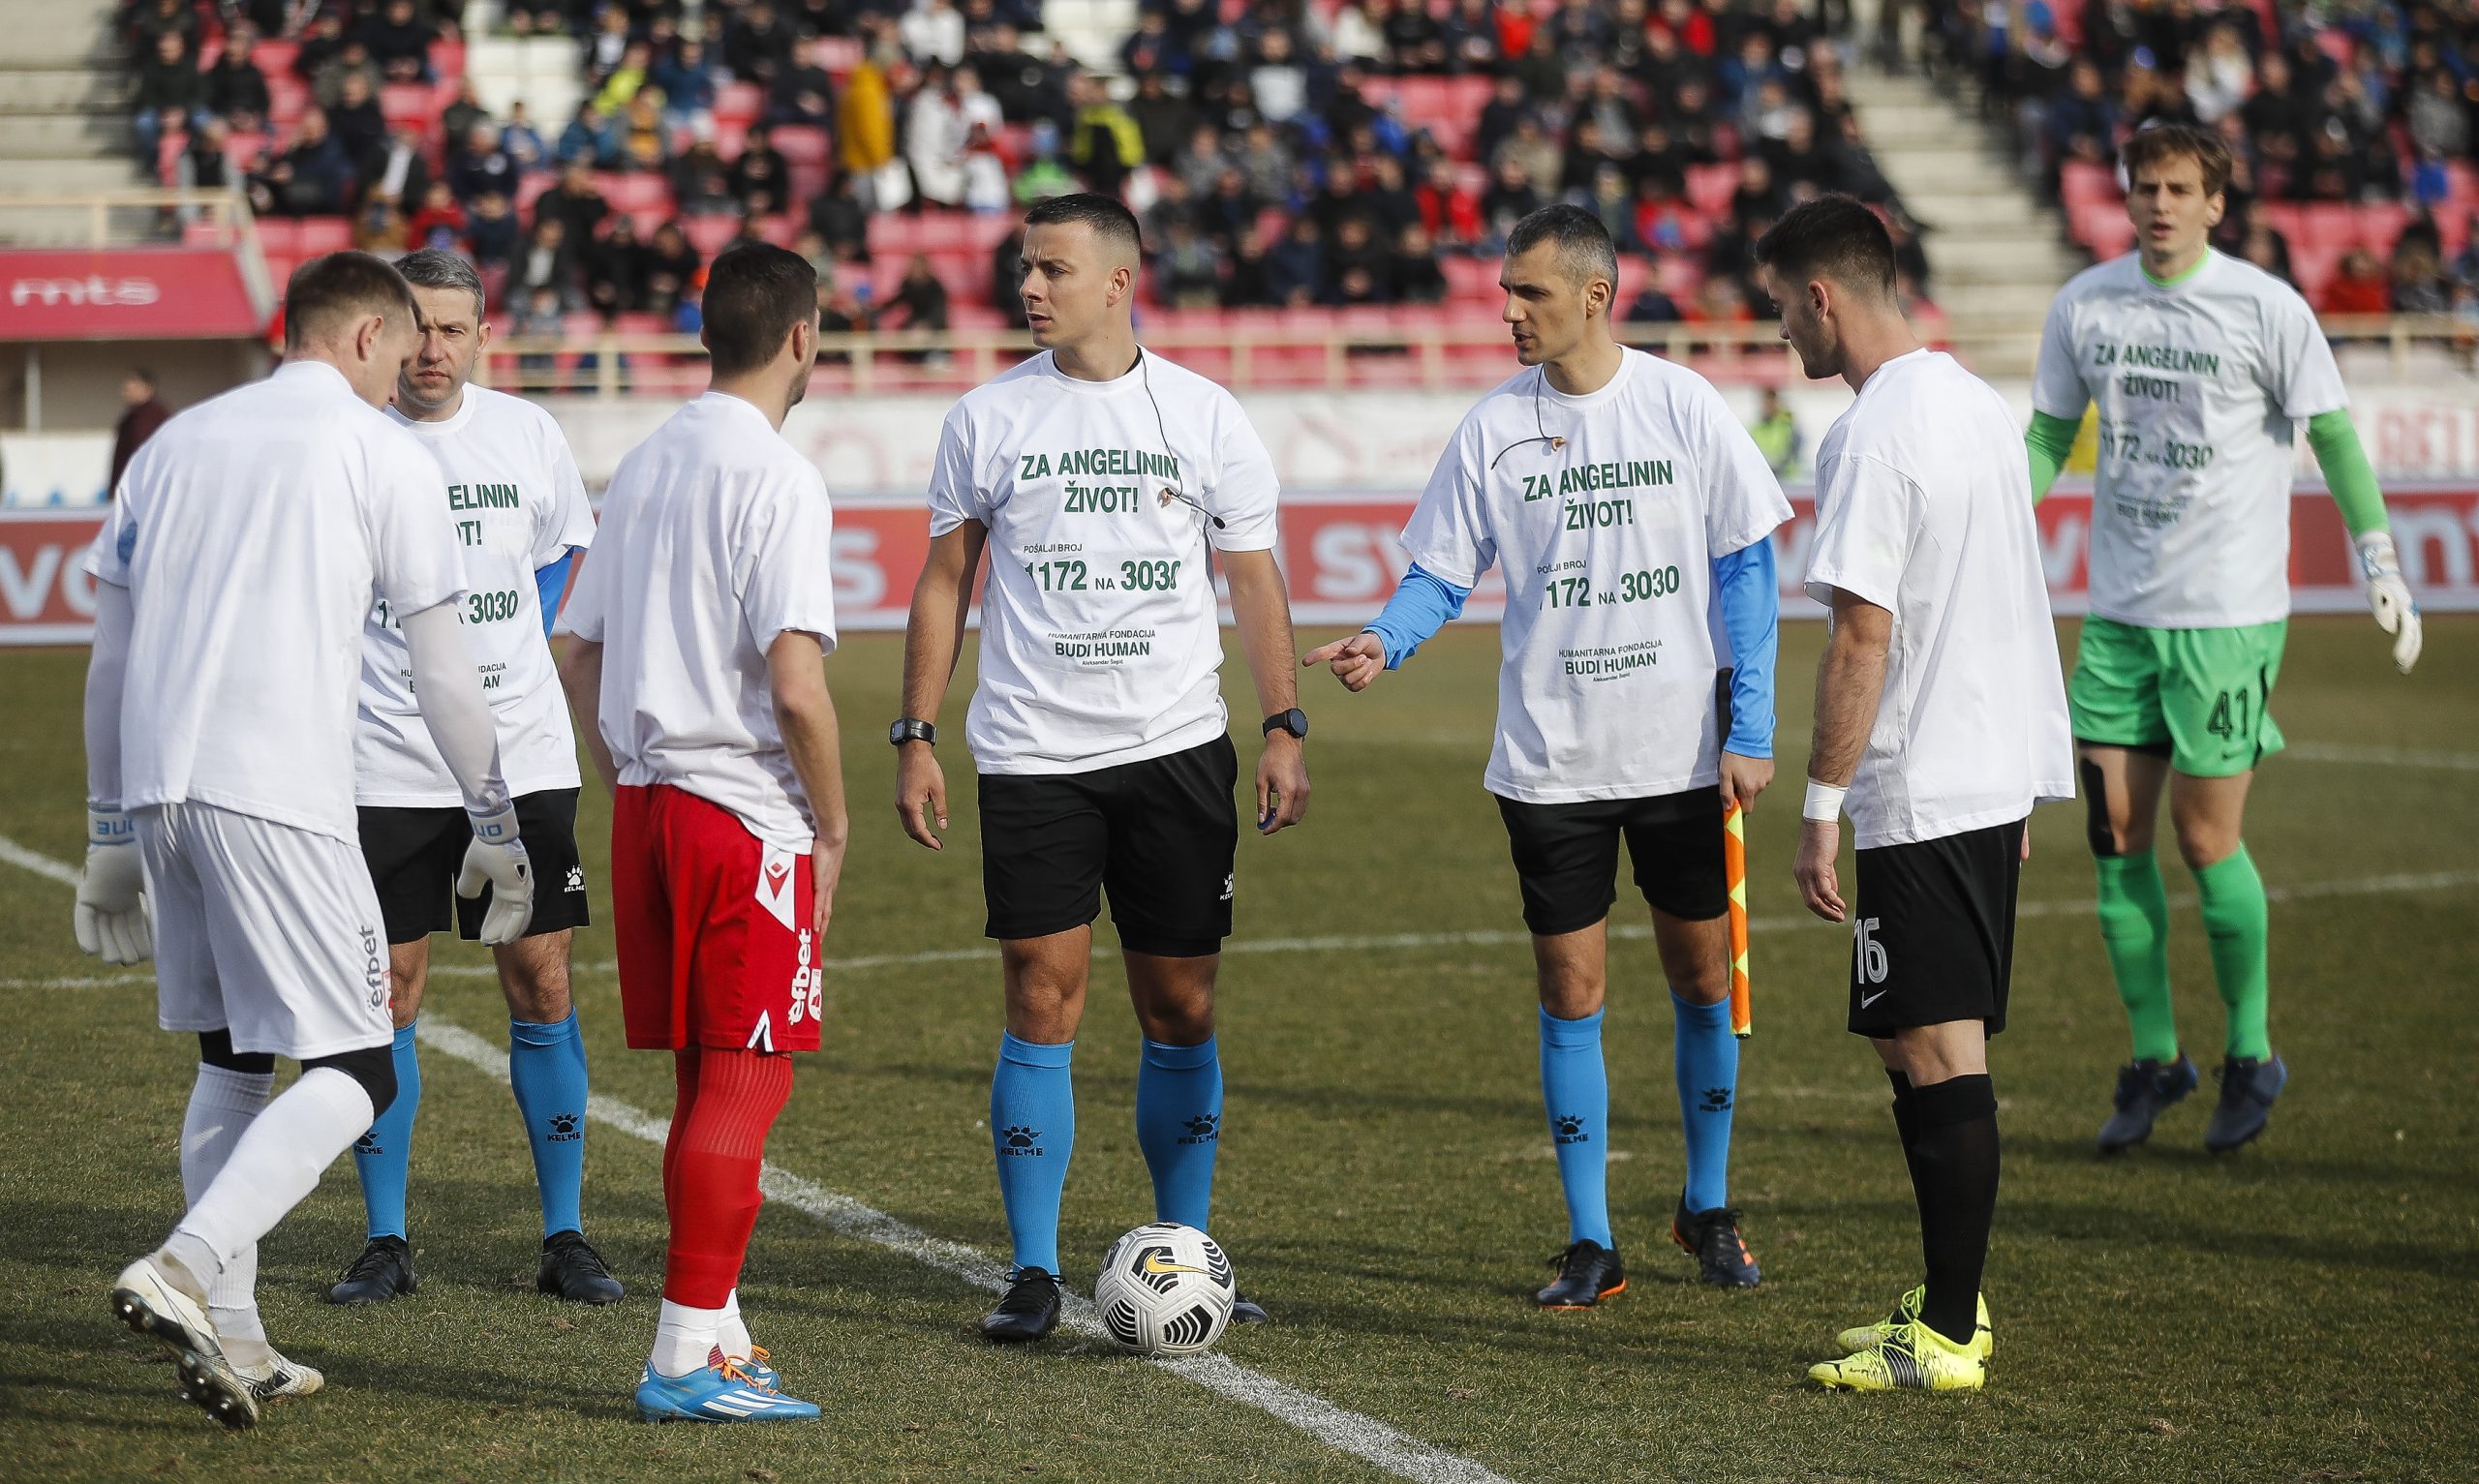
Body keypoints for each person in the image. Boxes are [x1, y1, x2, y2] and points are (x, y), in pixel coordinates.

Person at [1305, 206, 1790, 1304]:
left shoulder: (1681, 406)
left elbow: (1746, 568)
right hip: (1549, 761)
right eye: (1504, 292)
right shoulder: (1492, 428)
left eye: (1528, 292)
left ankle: (1706, 1207)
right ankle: (1590, 1241)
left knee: (1703, 978)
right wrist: (1389, 637)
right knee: (1571, 989)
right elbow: (1441, 570)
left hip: (1678, 755)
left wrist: (1751, 728)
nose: (1509, 311)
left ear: (1593, 295)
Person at [82, 252, 534, 1428]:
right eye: (405, 345)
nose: (413, 367)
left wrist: (108, 831)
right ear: (371, 335)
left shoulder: (171, 444)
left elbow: (111, 658)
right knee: (357, 1065)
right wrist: (494, 817)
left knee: (232, 1059)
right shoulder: (380, 449)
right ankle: (184, 1267)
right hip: (276, 790)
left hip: (167, 790)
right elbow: (446, 661)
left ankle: (234, 1333)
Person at [895, 195, 1311, 1344]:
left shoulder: (1203, 414)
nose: (1031, 288)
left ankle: (1188, 1248)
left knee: (1179, 1005)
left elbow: (1255, 578)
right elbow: (944, 581)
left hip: (1177, 751)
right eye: (1025, 269)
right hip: (1033, 755)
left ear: (1120, 282)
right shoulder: (986, 417)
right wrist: (915, 732)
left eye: (1054, 270)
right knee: (1041, 994)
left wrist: (1284, 723)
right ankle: (1032, 1269)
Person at [2022, 124, 2423, 1156]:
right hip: (2117, 617)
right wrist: (1991, 532)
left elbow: (2331, 432)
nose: (2156, 203)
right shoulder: (2087, 305)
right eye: (2143, 186)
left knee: (2205, 842)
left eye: (2177, 188)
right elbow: (2045, 439)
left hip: (2227, 617)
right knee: (2113, 850)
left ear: (2214, 202)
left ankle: (2252, 1053)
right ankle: (2156, 1059)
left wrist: (2377, 557)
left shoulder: (2265, 308)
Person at [1760, 195, 2072, 1393]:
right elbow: (2017, 596)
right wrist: (2029, 778)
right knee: (1903, 1034)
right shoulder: (1972, 405)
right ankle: (1951, 1301)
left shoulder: (1874, 433)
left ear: (1824, 295)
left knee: (1937, 1048)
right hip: (1978, 771)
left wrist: (1821, 809)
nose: (1784, 329)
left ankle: (1944, 1335)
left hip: (1927, 781)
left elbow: (1860, 637)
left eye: (1785, 305)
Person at [558, 243, 846, 1423]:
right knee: (744, 1083)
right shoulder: (777, 476)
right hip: (742, 813)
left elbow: (573, 649)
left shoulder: (646, 460)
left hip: (648, 806)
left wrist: (624, 766)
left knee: (699, 1079)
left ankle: (716, 1335)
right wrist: (829, 827)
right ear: (802, 339)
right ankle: (681, 1356)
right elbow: (795, 686)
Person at [322, 251, 616, 1310]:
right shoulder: (346, 444)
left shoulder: (527, 434)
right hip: (384, 762)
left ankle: (567, 1235)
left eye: (454, 329)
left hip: (523, 759)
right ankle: (385, 1238)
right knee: (386, 990)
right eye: (418, 330)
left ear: (484, 332)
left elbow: (551, 564)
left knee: (539, 982)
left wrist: (503, 660)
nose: (434, 351)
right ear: (385, 333)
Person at [110, 369, 171, 492]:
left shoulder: (156, 416)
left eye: (133, 388)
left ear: (147, 389)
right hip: (127, 485)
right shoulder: (130, 418)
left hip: (149, 485)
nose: (127, 393)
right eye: (126, 389)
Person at [1747, 384, 1801, 477]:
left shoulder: (1787, 427)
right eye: (1766, 403)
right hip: (1764, 478)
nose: (1768, 406)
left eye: (1771, 402)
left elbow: (1792, 455)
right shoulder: (1756, 429)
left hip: (1786, 480)